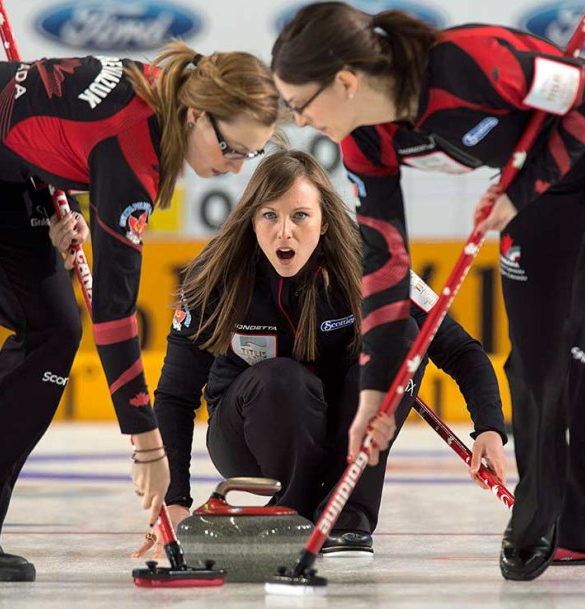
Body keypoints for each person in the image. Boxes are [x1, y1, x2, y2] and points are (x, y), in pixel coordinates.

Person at [270, 2, 585, 596]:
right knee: (535, 352)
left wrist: (525, 188)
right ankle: (550, 514)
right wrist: (373, 395)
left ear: (345, 81)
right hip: (545, 185)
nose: (303, 120)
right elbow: (386, 267)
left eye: (302, 103)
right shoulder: (367, 142)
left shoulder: (471, 61)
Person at [0, 42, 280, 581]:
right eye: (231, 149)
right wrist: (147, 445)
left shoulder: (164, 99)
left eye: (252, 154)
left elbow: (55, 123)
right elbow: (114, 308)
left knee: (53, 332)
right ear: (196, 113)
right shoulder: (134, 145)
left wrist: (64, 196)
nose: (233, 168)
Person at [127, 149, 506, 558]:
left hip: (342, 432)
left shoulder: (371, 260)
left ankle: (348, 518)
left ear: (324, 222)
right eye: (269, 215)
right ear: (252, 220)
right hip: (246, 439)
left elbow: (458, 347)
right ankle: (296, 510)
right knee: (284, 378)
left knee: (402, 337)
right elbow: (175, 396)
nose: (283, 232)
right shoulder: (217, 274)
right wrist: (176, 501)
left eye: (300, 216)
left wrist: (489, 426)